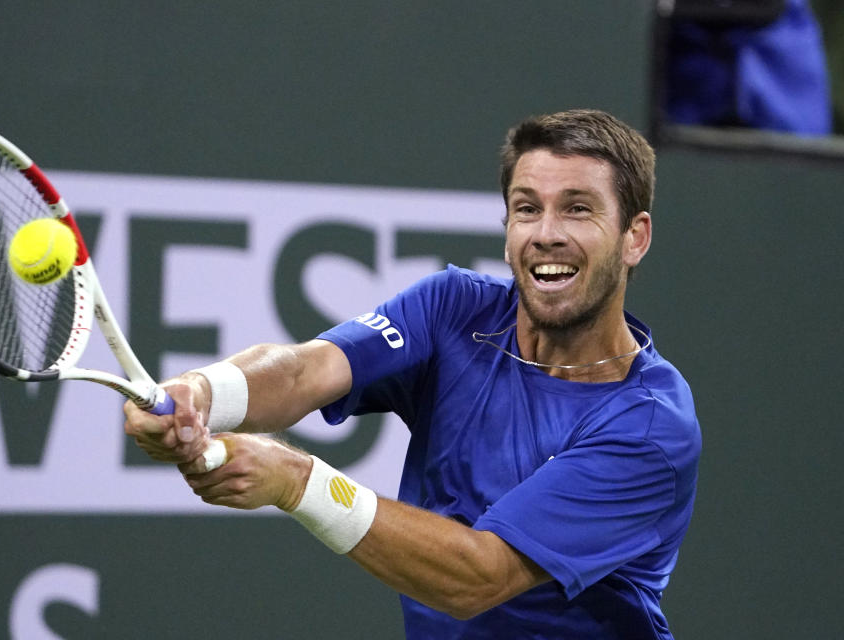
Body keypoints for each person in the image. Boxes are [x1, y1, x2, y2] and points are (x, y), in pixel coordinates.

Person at [123, 109, 701, 639]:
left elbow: (478, 576)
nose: (546, 232)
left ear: (635, 237)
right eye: (527, 208)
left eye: (577, 208)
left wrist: (299, 480)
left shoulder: (650, 426)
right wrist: (201, 394)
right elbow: (306, 370)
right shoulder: (454, 309)